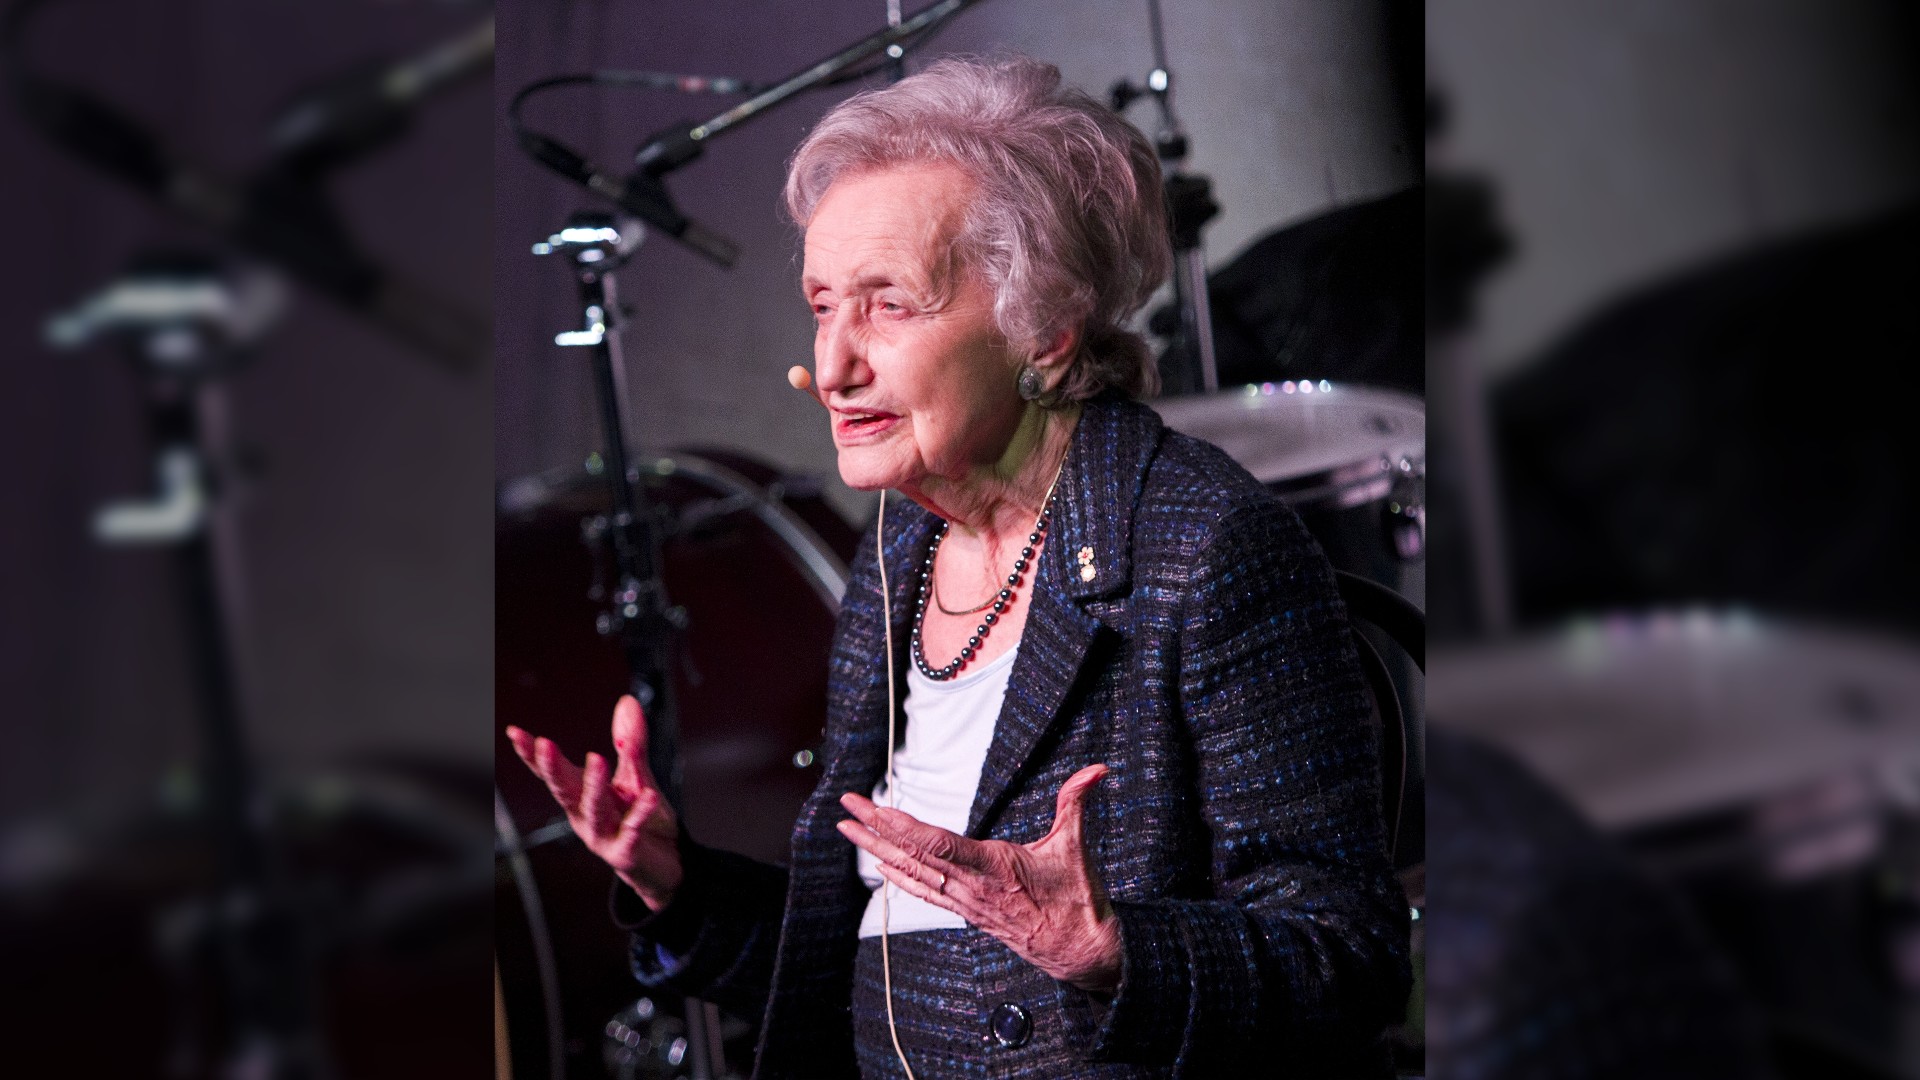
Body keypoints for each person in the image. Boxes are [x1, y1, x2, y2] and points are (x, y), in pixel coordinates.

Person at [507, 55, 1409, 1078]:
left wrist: (1111, 952)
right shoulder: (902, 547)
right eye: (822, 305)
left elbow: (1350, 959)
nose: (832, 366)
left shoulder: (1203, 545)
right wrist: (683, 888)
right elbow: (878, 978)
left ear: (1047, 332)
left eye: (889, 305)